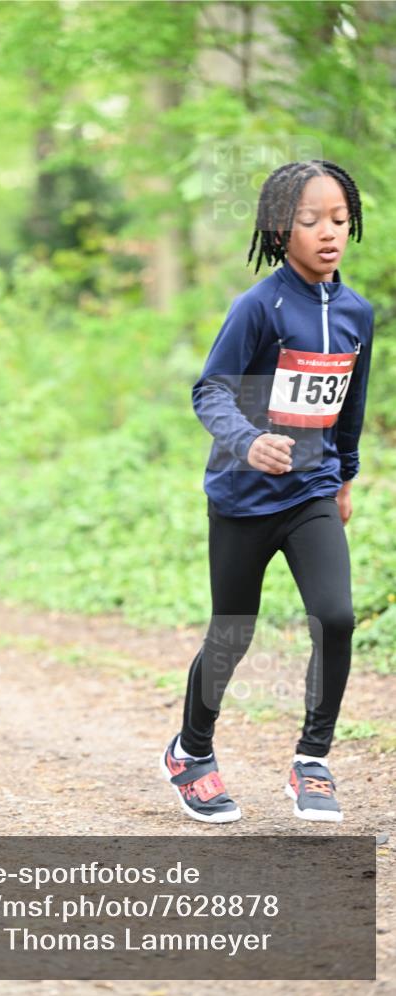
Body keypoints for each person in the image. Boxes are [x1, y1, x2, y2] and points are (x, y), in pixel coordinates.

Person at [161, 160, 374, 824]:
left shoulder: (355, 314)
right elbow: (211, 390)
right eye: (311, 221)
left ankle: (311, 759)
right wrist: (248, 441)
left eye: (338, 219)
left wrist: (343, 475)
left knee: (334, 617)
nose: (327, 233)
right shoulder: (258, 307)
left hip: (310, 491)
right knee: (232, 631)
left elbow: (347, 405)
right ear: (280, 229)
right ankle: (189, 751)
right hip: (242, 497)